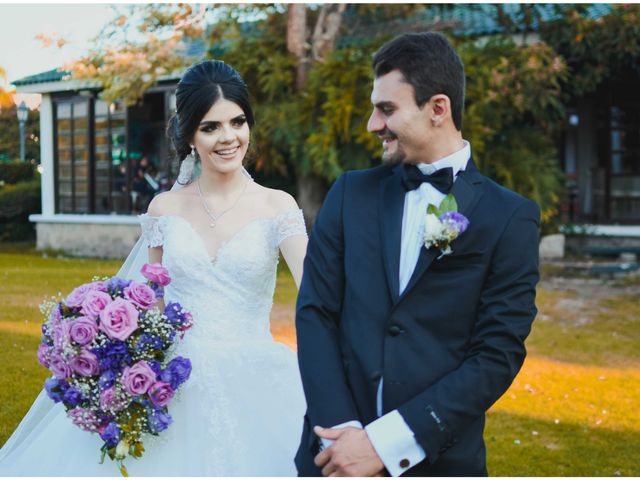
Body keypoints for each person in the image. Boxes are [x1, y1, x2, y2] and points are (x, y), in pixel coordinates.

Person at [0, 60, 308, 476]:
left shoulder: (278, 206)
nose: (228, 137)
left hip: (256, 372)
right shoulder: (164, 208)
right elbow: (151, 303)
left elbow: (314, 296)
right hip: (174, 378)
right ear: (190, 135)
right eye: (210, 127)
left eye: (237, 122)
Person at [295, 32, 540, 476]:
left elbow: (496, 353)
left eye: (386, 109)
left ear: (438, 109)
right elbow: (316, 313)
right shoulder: (350, 194)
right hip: (331, 456)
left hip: (439, 460)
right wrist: (344, 435)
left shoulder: (510, 217)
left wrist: (385, 446)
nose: (372, 124)